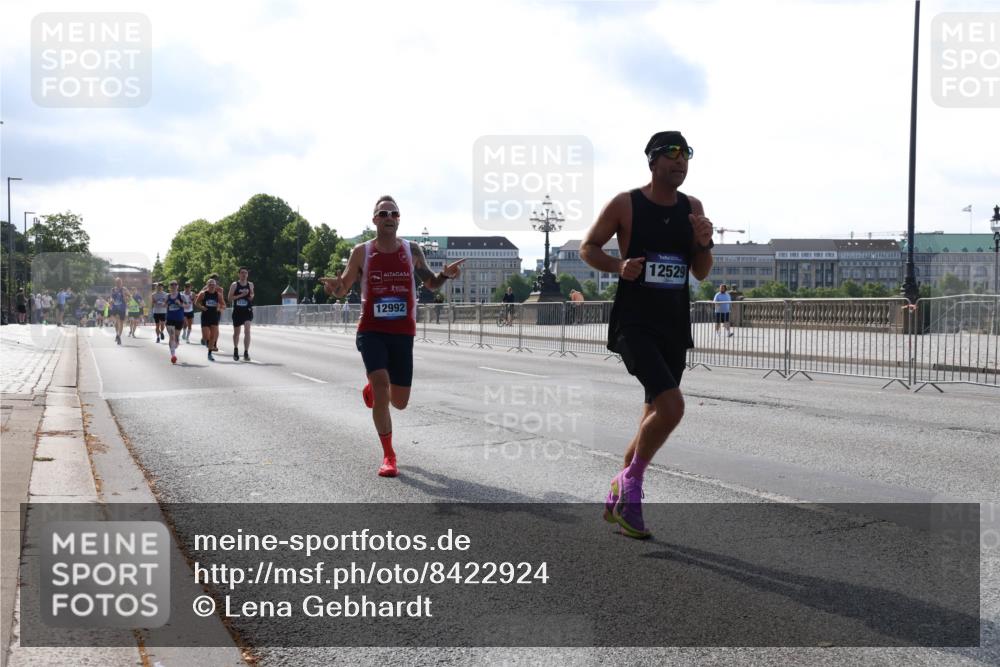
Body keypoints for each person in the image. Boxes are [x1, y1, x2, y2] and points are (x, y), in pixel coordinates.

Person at [580, 130, 714, 539]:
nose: (681, 162)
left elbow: (701, 271)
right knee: (672, 408)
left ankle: (624, 506)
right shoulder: (627, 203)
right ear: (653, 161)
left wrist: (705, 243)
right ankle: (629, 484)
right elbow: (589, 248)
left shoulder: (693, 207)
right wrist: (619, 267)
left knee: (649, 419)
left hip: (674, 323)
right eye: (672, 154)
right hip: (634, 323)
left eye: (686, 155)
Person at [320, 195, 464, 478]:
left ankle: (376, 389)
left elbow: (431, 284)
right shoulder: (361, 252)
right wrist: (334, 288)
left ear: (399, 219)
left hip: (403, 332)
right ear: (374, 219)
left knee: (399, 402)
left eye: (394, 214)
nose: (389, 217)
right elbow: (343, 287)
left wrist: (445, 275)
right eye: (383, 213)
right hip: (371, 330)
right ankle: (389, 454)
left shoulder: (412, 250)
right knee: (383, 385)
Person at [196, 278, 226, 361]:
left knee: (213, 336)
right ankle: (207, 343)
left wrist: (219, 308)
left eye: (213, 284)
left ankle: (209, 354)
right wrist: (201, 307)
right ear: (207, 285)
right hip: (205, 316)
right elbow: (196, 303)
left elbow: (224, 305)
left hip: (214, 316)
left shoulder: (218, 294)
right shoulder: (203, 294)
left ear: (216, 286)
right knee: (206, 336)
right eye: (210, 284)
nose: (212, 286)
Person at [228, 267, 254, 361]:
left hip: (247, 310)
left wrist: (250, 296)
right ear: (239, 274)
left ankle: (246, 352)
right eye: (242, 273)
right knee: (236, 332)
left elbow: (252, 296)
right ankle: (235, 349)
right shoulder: (235, 285)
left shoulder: (250, 285)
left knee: (247, 330)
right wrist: (241, 295)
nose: (244, 274)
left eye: (245, 273)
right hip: (237, 311)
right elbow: (230, 298)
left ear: (247, 274)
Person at [164, 281, 186, 364]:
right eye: (171, 285)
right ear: (170, 287)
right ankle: (173, 355)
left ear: (177, 286)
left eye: (175, 285)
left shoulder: (182, 296)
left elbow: (187, 305)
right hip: (170, 319)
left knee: (176, 336)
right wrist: (165, 304)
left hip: (179, 319)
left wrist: (180, 304)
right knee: (171, 336)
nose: (173, 286)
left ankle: (177, 342)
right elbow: (164, 305)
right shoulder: (167, 296)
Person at [109, 279, 128, 344]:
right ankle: (117, 333)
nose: (118, 283)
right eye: (117, 282)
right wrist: (111, 300)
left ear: (122, 282)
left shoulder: (124, 289)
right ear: (115, 283)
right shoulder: (113, 289)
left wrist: (125, 296)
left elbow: (129, 297)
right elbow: (111, 297)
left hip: (122, 308)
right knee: (117, 321)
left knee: (121, 322)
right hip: (115, 307)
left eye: (120, 282)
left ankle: (118, 336)